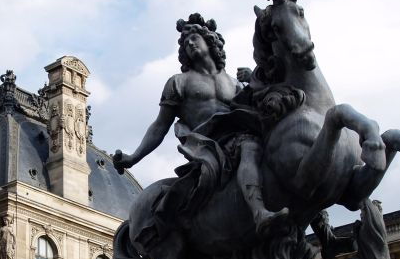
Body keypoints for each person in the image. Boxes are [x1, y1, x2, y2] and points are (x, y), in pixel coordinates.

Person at [113, 13, 288, 237]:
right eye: (186, 43)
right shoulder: (179, 82)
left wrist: (255, 81)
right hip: (207, 145)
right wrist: (133, 158)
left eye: (194, 38)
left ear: (210, 42)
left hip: (237, 134)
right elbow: (160, 126)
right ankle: (259, 213)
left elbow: (258, 110)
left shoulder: (234, 83)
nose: (190, 44)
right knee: (249, 146)